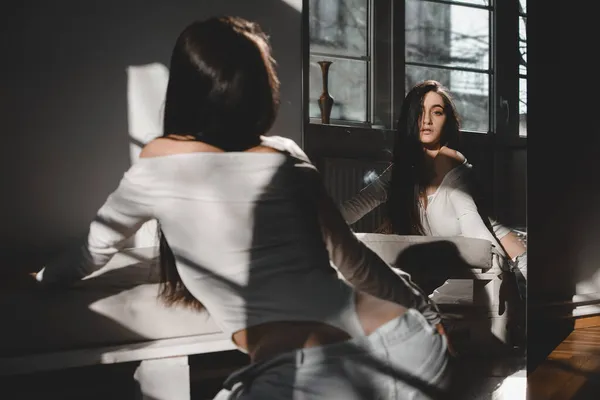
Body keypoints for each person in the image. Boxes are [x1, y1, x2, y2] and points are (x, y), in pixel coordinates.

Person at [33, 18, 450, 399]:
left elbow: (92, 251)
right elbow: (355, 263)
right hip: (412, 348)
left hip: (314, 376)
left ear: (184, 89)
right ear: (259, 89)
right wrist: (425, 315)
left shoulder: (158, 164)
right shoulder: (287, 154)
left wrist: (42, 278)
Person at [340, 80, 527, 284]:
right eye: (420, 111)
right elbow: (354, 207)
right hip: (488, 264)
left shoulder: (448, 159)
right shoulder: (402, 170)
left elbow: (472, 225)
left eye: (436, 112)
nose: (427, 120)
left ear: (447, 121)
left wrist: (503, 270)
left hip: (513, 261)